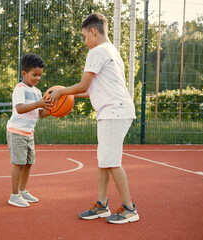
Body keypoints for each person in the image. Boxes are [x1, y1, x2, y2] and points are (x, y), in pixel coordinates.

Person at [47, 12, 139, 224]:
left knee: (112, 161)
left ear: (93, 31)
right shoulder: (113, 52)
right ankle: (102, 204)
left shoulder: (97, 52)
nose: (85, 41)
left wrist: (60, 92)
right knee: (104, 161)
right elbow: (89, 91)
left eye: (84, 37)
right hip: (114, 110)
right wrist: (66, 92)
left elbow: (83, 85)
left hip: (114, 111)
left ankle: (129, 208)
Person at [7, 53, 52, 207]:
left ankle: (23, 190)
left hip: (29, 133)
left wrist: (56, 110)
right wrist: (39, 104)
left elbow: (41, 113)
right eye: (34, 75)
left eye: (40, 75)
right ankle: (14, 195)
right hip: (17, 131)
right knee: (19, 164)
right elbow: (20, 109)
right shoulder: (20, 89)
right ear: (24, 73)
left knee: (28, 163)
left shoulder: (38, 92)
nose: (37, 78)